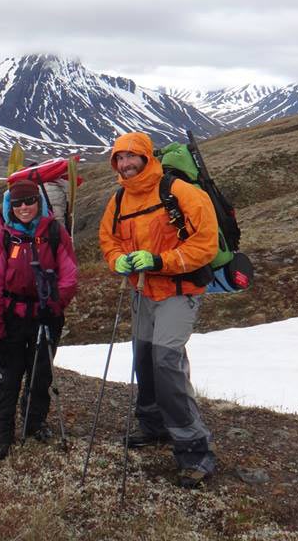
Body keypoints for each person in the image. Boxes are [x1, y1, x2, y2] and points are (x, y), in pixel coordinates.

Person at [98, 131, 218, 489]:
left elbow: (206, 244)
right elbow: (109, 238)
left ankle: (195, 449)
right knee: (144, 357)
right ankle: (153, 426)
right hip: (142, 291)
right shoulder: (118, 199)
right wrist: (117, 259)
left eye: (132, 157)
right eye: (119, 158)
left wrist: (160, 260)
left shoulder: (180, 192)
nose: (125, 164)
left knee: (166, 361)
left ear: (148, 157)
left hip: (178, 292)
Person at [0, 177, 78, 460]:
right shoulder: (2, 238)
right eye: (18, 203)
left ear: (39, 202)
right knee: (6, 378)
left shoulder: (54, 233)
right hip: (12, 318)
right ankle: (2, 433)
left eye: (30, 201)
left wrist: (56, 305)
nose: (24, 207)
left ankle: (34, 423)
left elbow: (69, 274)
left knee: (40, 376)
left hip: (46, 317)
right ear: (10, 207)